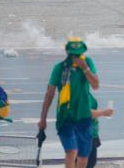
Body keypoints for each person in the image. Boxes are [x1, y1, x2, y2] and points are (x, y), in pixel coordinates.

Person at [38, 38, 100, 168]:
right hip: (65, 116)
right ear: (68, 53)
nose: (75, 57)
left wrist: (85, 68)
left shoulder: (88, 63)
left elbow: (95, 85)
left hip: (83, 115)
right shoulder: (59, 68)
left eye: (78, 54)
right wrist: (42, 119)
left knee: (83, 154)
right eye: (73, 54)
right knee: (72, 151)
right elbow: (49, 94)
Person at [85, 97, 114, 168]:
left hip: (92, 133)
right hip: (85, 134)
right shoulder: (79, 92)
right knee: (86, 162)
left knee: (90, 162)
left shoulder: (85, 90)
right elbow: (85, 112)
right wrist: (103, 113)